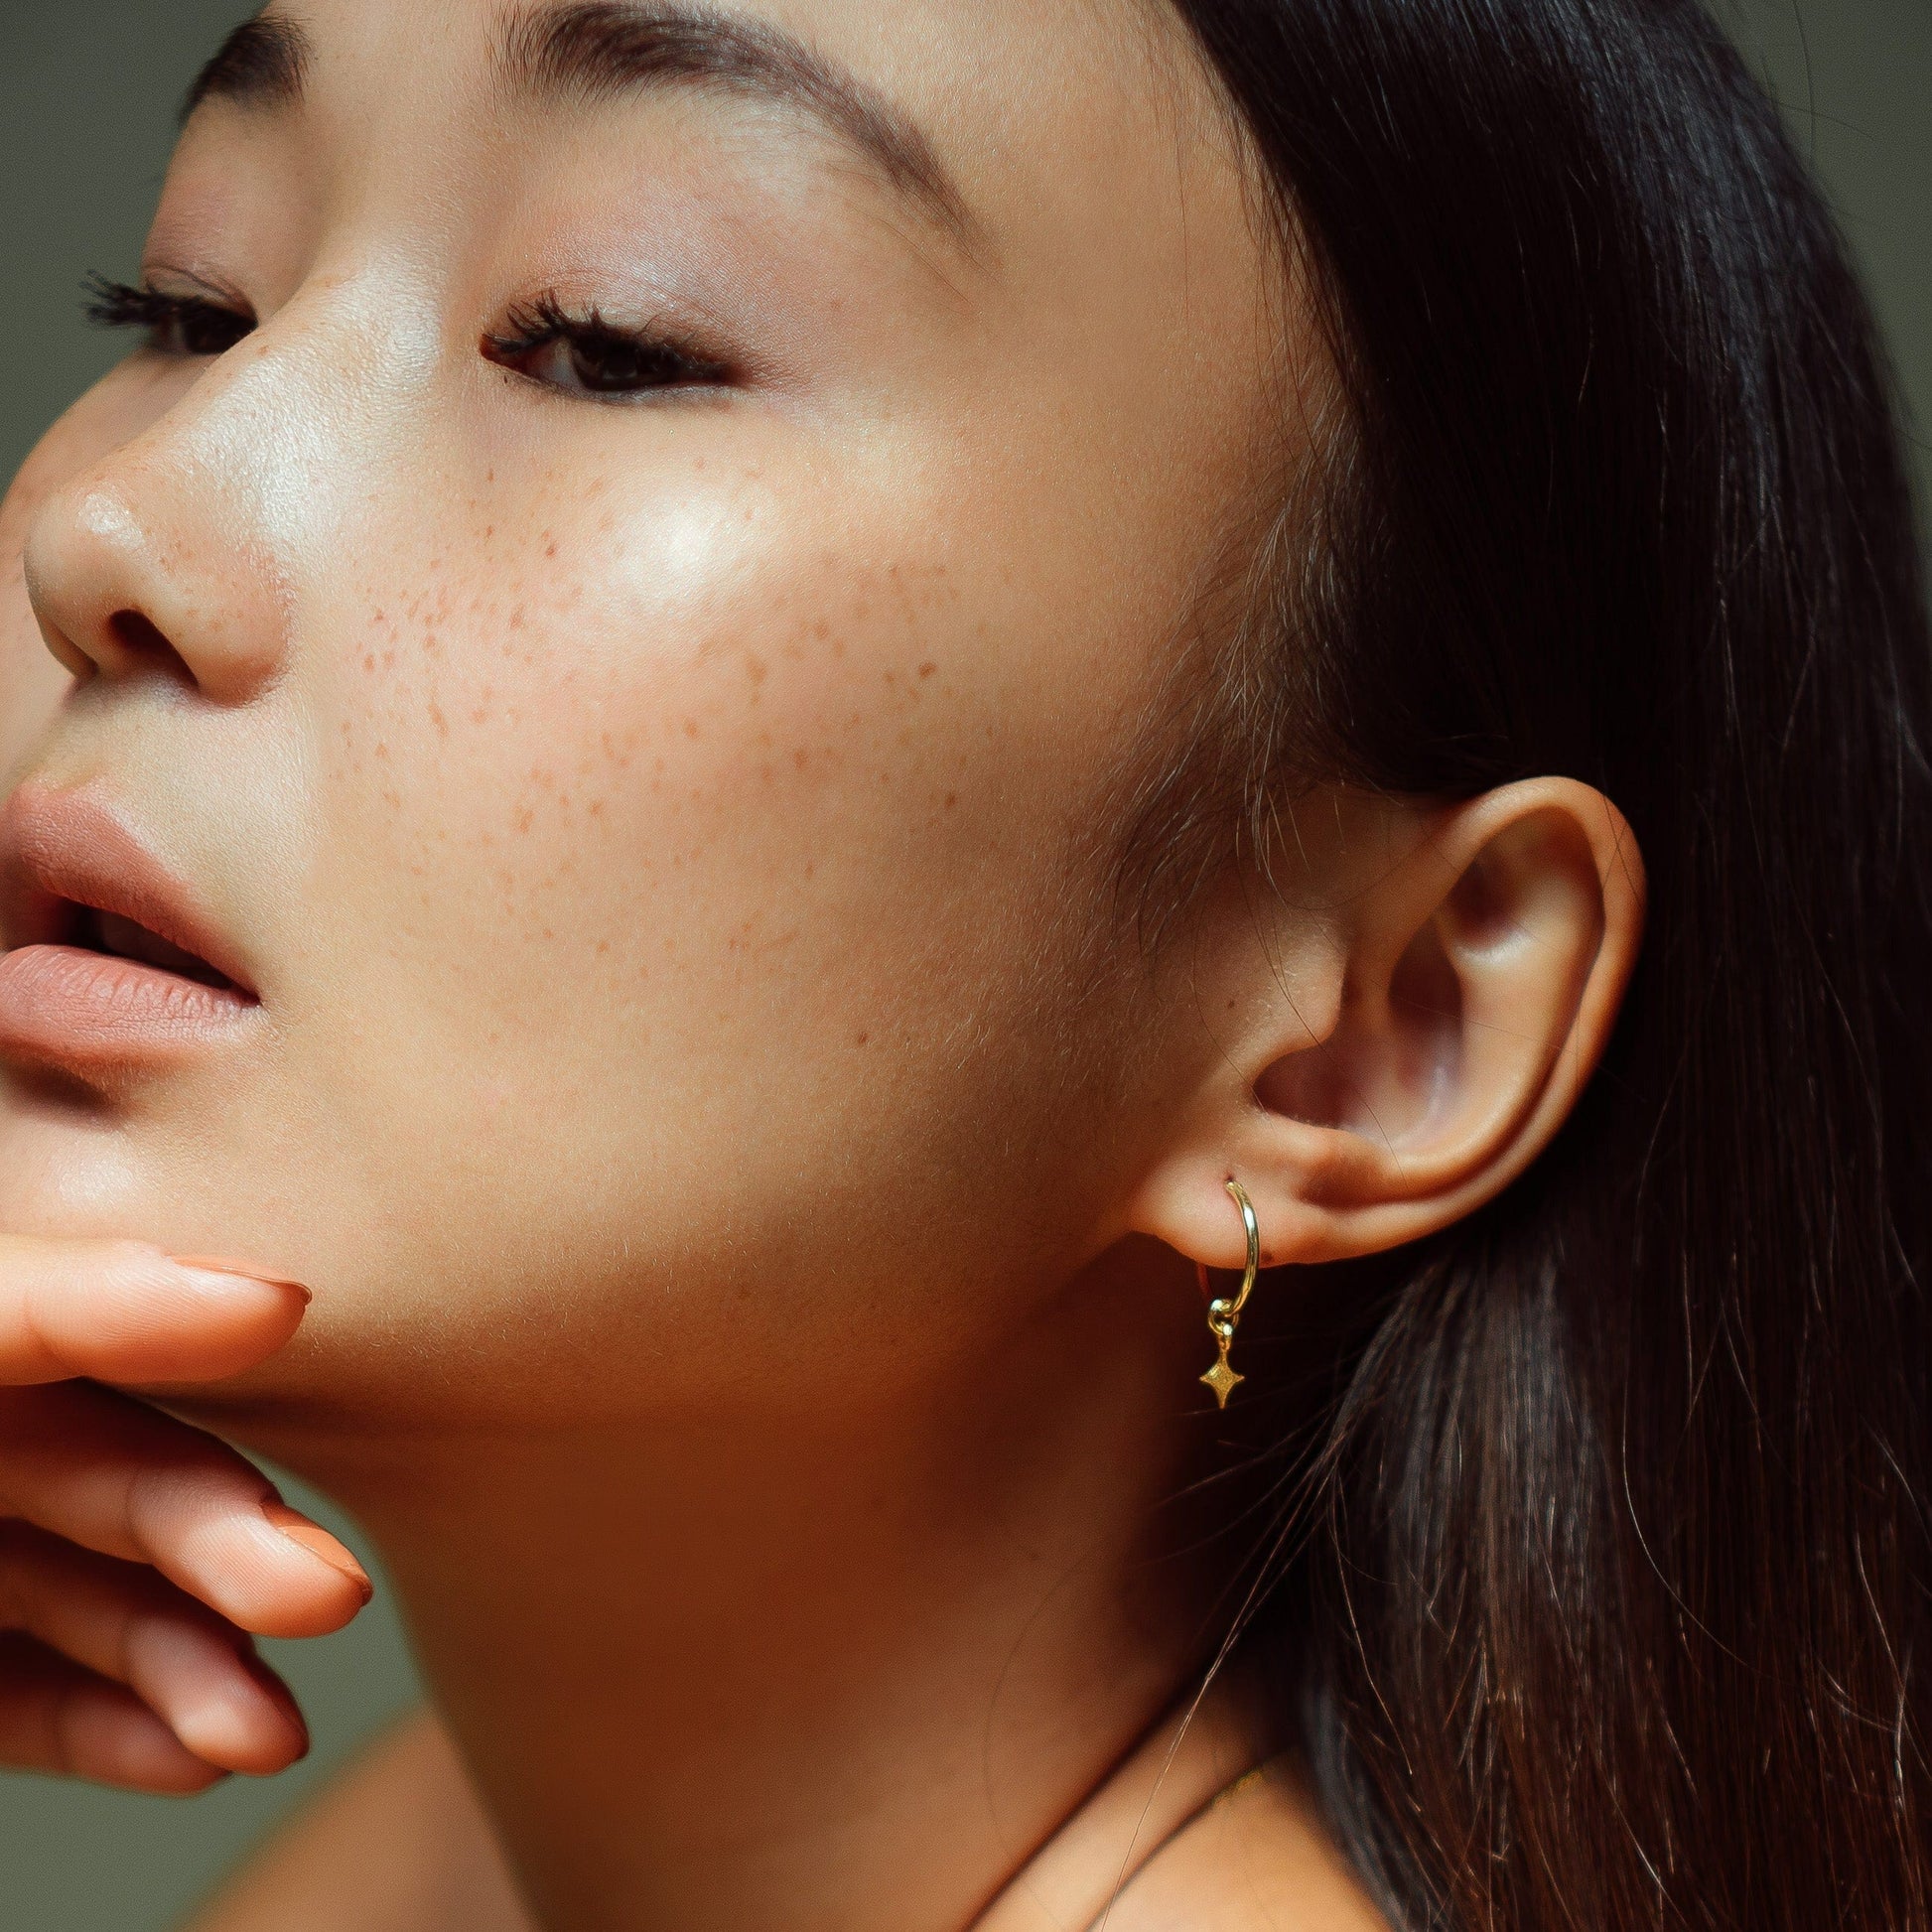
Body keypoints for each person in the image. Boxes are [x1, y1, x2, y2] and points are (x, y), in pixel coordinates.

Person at [1, 2, 1927, 1927]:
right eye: (189, 305)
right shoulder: (457, 1867)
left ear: (1384, 1029)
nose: (111, 521)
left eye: (609, 343)